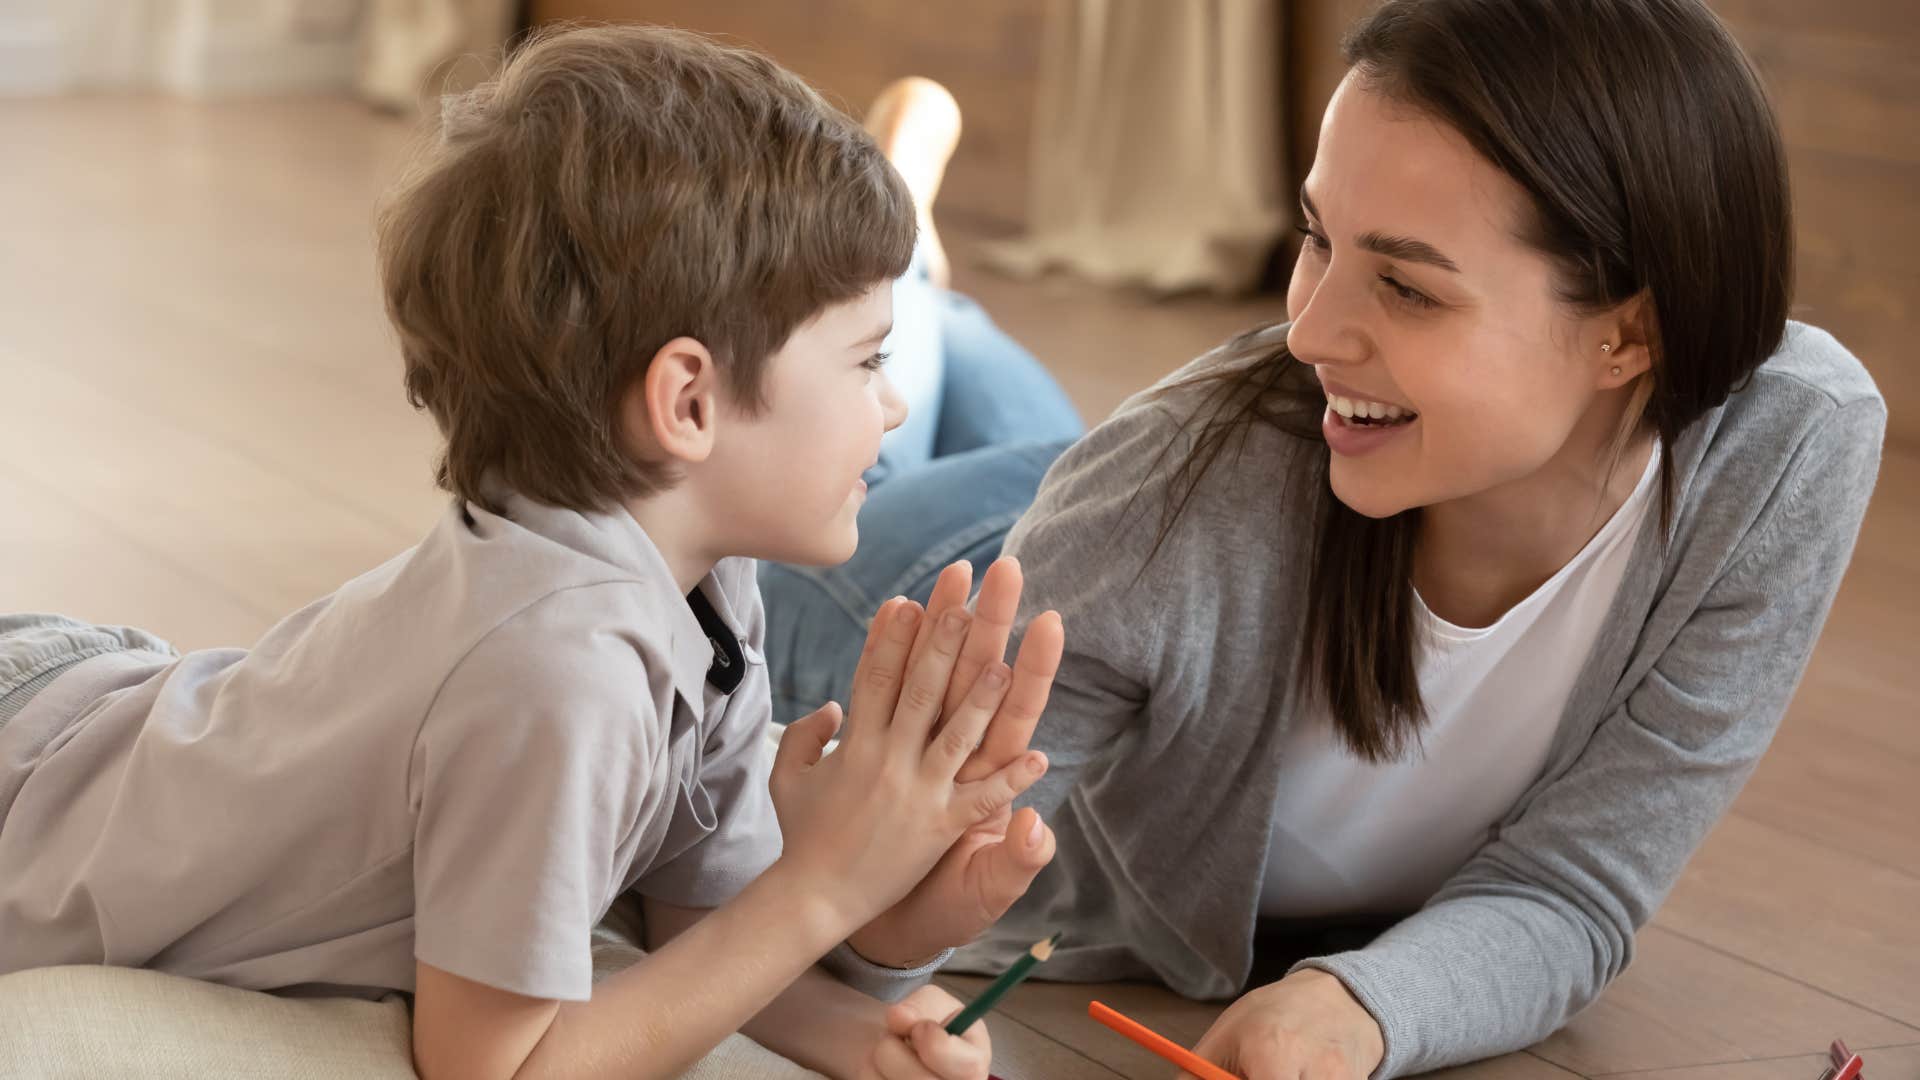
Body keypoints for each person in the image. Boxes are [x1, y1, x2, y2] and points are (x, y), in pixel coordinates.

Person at [759, 1, 1889, 1077]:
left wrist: (1362, 1005)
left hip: (1123, 512)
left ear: (1629, 335)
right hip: (911, 582)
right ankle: (895, 253)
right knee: (850, 420)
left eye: (1404, 286)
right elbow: (859, 914)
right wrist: (886, 922)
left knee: (1036, 434)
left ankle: (913, 254)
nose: (1306, 328)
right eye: (1316, 239)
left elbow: (1577, 891)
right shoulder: (1168, 492)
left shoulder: (1787, 446)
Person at [0, 27, 1066, 1080]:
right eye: (868, 360)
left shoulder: (703, 578)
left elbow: (695, 927)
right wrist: (823, 890)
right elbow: (495, 1069)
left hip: (85, 713)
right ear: (688, 402)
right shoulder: (558, 671)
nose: (897, 402)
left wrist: (863, 1036)